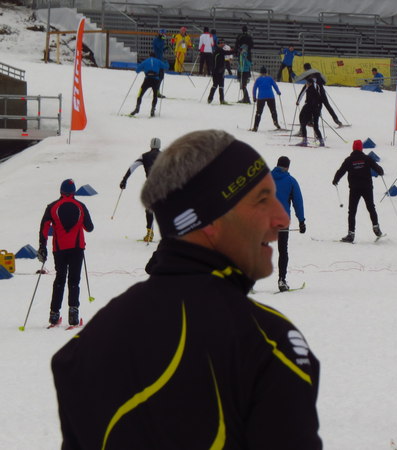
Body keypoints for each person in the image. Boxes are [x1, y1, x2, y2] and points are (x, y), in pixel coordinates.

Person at [51, 130, 322, 449]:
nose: (281, 218)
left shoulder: (83, 348)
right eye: (262, 200)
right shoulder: (268, 346)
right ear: (210, 218)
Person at [38, 178, 94, 328]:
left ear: (61, 191)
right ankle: (73, 316)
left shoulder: (52, 207)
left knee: (60, 279)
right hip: (77, 248)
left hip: (59, 249)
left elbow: (44, 228)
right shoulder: (81, 206)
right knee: (74, 280)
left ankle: (54, 315)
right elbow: (89, 227)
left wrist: (42, 246)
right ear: (74, 191)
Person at [333, 140, 384, 243]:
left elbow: (341, 171)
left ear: (353, 148)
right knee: (371, 207)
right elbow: (378, 169)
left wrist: (335, 180)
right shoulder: (367, 158)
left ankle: (351, 234)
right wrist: (381, 172)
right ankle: (376, 227)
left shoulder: (349, 160)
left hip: (354, 189)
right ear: (361, 148)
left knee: (352, 211)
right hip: (367, 188)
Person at [272, 156, 306, 292]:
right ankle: (282, 280)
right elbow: (298, 202)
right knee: (282, 250)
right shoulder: (291, 181)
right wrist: (302, 221)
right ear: (287, 167)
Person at [119, 137, 162, 243]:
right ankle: (169, 234)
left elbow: (132, 167)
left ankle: (149, 233)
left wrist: (124, 180)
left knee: (149, 209)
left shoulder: (144, 156)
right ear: (159, 146)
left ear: (151, 145)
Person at [130, 52, 169, 117]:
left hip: (147, 80)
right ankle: (153, 109)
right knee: (155, 95)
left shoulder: (145, 61)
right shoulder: (158, 61)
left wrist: (142, 68)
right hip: (155, 80)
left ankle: (137, 108)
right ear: (155, 56)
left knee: (140, 94)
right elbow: (166, 67)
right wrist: (165, 61)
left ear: (149, 56)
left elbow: (137, 70)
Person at [251, 66, 282, 131]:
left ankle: (255, 127)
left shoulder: (258, 79)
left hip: (261, 97)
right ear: (266, 72)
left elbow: (254, 88)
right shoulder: (270, 78)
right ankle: (275, 122)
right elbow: (275, 85)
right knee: (273, 110)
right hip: (270, 96)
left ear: (260, 73)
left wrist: (254, 97)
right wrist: (278, 92)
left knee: (259, 112)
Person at [295, 77, 324, 146]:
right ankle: (321, 141)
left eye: (307, 83)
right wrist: (319, 109)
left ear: (310, 83)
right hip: (317, 108)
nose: (306, 84)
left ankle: (304, 141)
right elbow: (320, 99)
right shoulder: (317, 88)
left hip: (309, 108)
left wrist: (298, 102)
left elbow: (303, 94)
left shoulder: (309, 89)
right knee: (316, 126)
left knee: (303, 124)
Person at [208, 40, 234, 104]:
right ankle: (221, 100)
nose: (223, 44)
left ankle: (210, 98)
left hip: (216, 71)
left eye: (223, 43)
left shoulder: (217, 50)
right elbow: (227, 53)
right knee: (220, 85)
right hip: (218, 71)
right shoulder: (219, 50)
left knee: (216, 85)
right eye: (221, 43)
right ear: (218, 44)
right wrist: (235, 51)